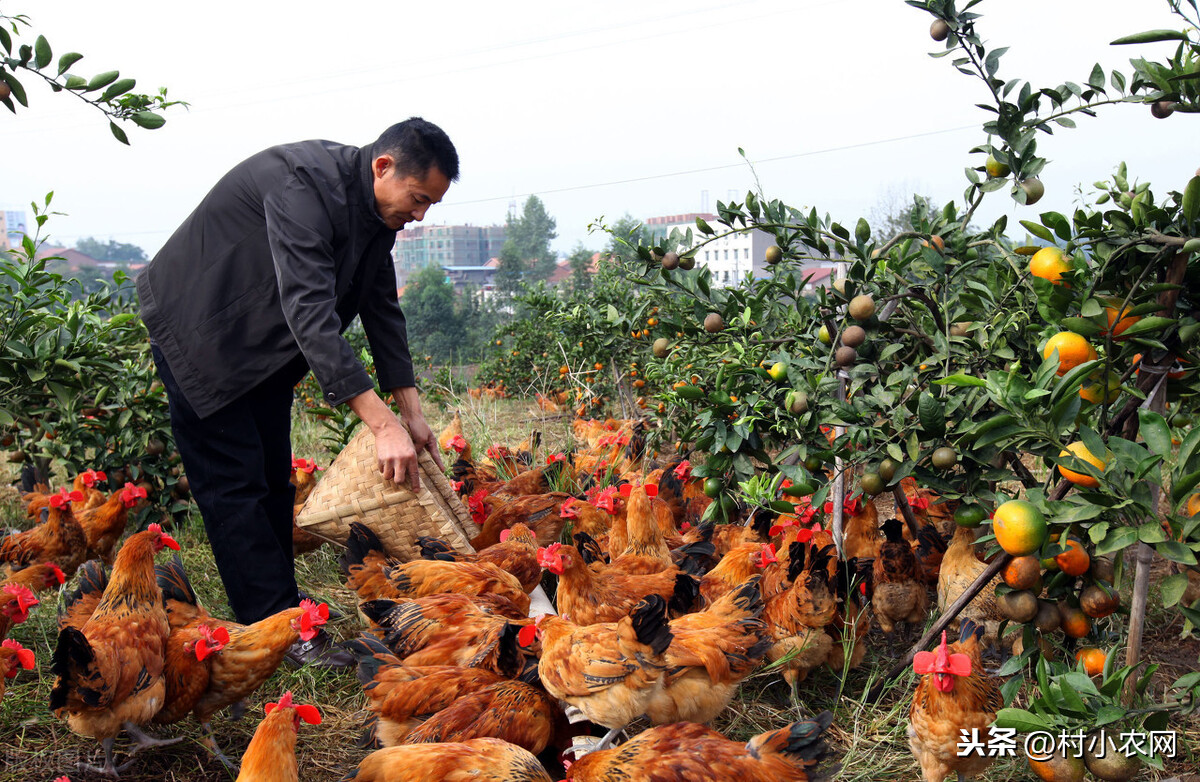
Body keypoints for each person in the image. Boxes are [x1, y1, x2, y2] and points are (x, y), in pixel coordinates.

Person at [136, 118, 458, 667]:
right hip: (203, 333)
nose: (421, 214)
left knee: (271, 476)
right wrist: (381, 425)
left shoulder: (378, 213)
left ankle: (281, 604)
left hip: (263, 341)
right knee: (234, 483)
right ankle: (275, 625)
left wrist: (412, 413)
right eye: (418, 198)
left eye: (431, 205)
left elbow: (382, 311)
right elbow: (309, 310)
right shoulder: (302, 185)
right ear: (384, 167)